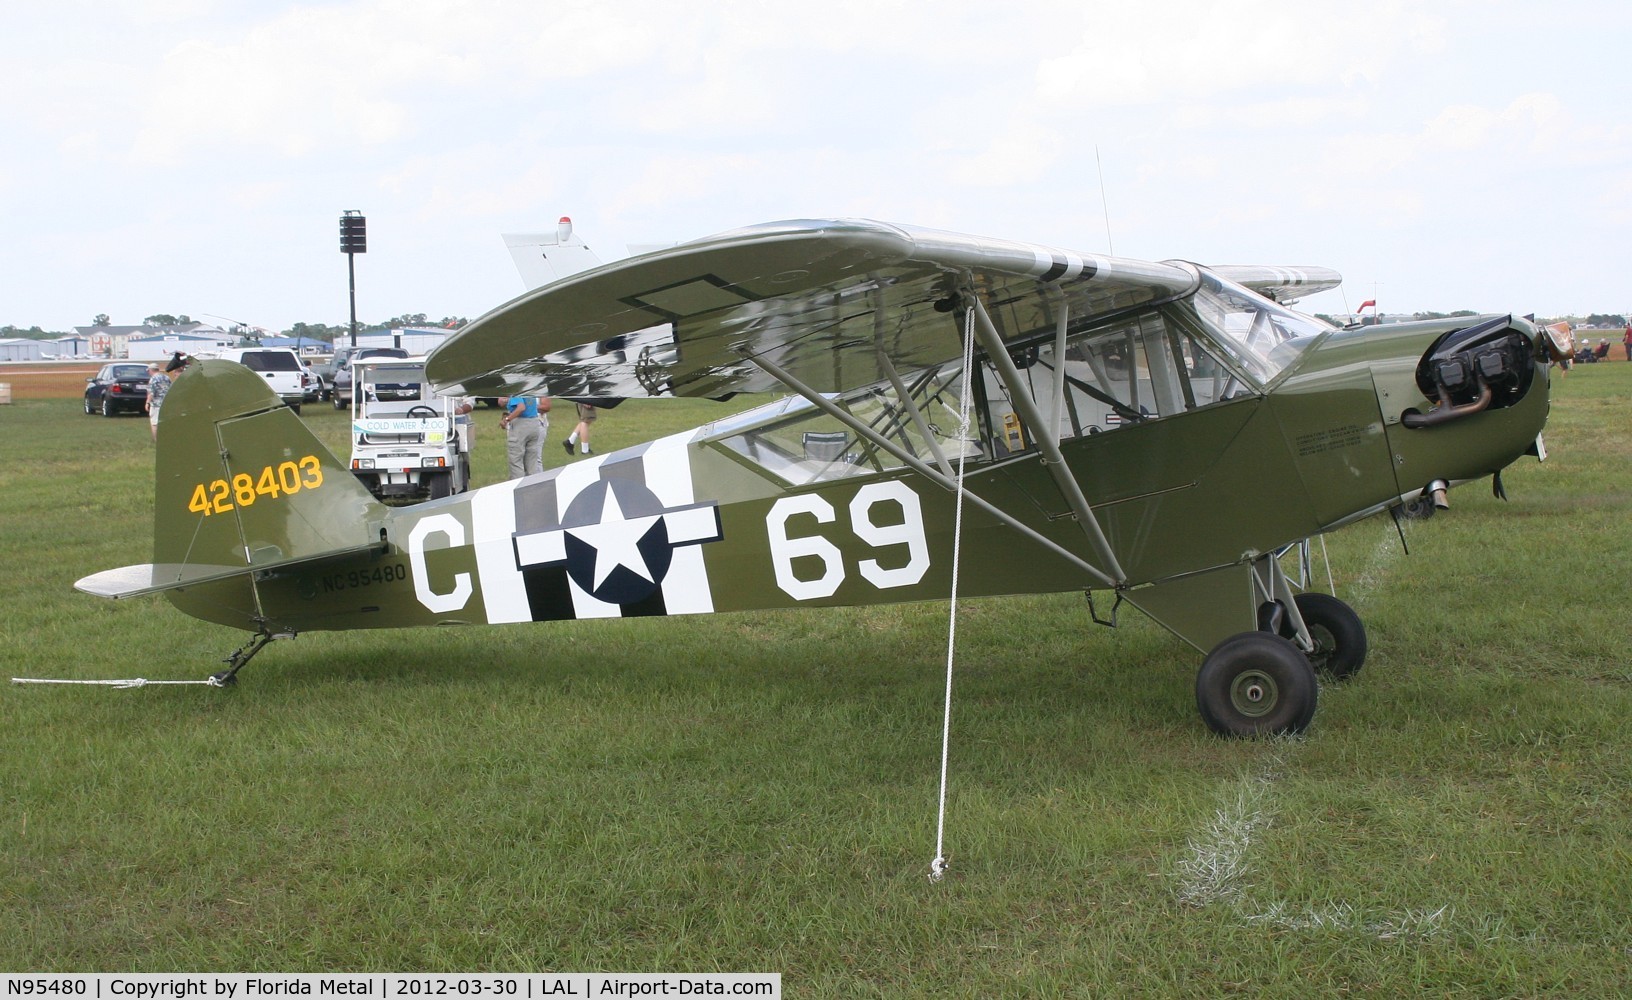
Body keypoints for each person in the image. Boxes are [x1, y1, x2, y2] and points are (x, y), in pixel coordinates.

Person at [145, 353, 189, 441]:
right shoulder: (166, 377)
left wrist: (147, 403)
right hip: (166, 403)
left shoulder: (153, 379)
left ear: (150, 370)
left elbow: (151, 393)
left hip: (156, 404)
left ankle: (157, 440)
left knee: (154, 423)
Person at [500, 395, 545, 479]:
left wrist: (507, 419)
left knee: (516, 460)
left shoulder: (517, 389)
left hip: (521, 424)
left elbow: (521, 407)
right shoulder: (530, 389)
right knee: (532, 462)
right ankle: (532, 485)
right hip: (534, 422)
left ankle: (518, 485)